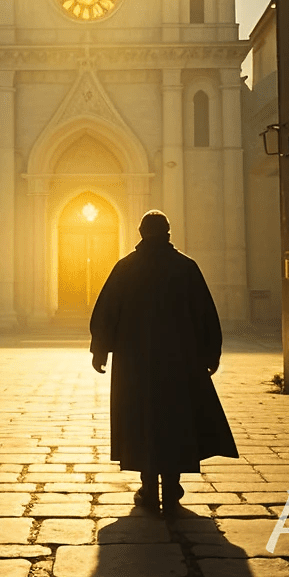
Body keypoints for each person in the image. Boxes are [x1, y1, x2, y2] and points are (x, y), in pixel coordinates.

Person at [89, 209, 238, 514]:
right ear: (168, 233)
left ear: (141, 233)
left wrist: (100, 350)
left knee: (142, 420)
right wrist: (212, 352)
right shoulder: (186, 268)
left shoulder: (125, 268)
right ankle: (172, 486)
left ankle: (148, 486)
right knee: (176, 419)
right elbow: (205, 314)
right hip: (179, 361)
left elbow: (106, 313)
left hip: (136, 363)